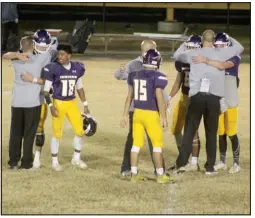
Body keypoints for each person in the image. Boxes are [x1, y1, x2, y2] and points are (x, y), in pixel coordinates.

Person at [173, 29, 244, 175]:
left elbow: (176, 55)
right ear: (213, 41)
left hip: (196, 97)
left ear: (202, 40)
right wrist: (229, 37)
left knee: (189, 132)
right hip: (213, 98)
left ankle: (181, 163)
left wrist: (185, 44)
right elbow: (240, 47)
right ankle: (210, 167)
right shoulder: (221, 53)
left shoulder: (194, 53)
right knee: (211, 134)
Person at [120, 49, 175, 184]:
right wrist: (163, 116)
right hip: (151, 114)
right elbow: (159, 96)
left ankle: (133, 174)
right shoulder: (158, 76)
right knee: (157, 145)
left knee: (136, 145)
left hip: (137, 113)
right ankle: (160, 175)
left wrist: (125, 115)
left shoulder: (134, 75)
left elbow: (129, 97)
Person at [8, 29, 58, 169]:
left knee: (15, 133)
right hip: (33, 103)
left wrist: (17, 54)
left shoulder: (15, 59)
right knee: (29, 134)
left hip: (17, 102)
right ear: (34, 46)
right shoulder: (41, 58)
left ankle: (13, 162)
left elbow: (6, 54)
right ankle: (26, 163)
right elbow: (54, 50)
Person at [193, 33, 241, 174]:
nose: (219, 49)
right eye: (217, 46)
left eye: (222, 46)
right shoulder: (214, 57)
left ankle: (237, 163)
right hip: (219, 99)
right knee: (220, 132)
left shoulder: (234, 57)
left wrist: (206, 60)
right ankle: (222, 161)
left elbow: (221, 66)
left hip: (230, 101)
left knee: (231, 132)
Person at [42, 43, 91, 171]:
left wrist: (85, 104)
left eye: (63, 54)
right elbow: (46, 91)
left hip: (72, 103)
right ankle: (54, 161)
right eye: (59, 54)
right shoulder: (53, 68)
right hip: (58, 103)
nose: (60, 57)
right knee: (57, 133)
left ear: (69, 55)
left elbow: (79, 87)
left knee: (80, 130)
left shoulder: (77, 68)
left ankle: (76, 158)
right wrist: (51, 106)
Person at [167, 35, 202, 171]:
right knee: (176, 129)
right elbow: (178, 82)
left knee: (193, 131)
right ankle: (184, 159)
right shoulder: (182, 63)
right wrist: (169, 97)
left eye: (192, 48)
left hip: (195, 99)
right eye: (188, 47)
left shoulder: (202, 62)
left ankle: (194, 162)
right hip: (183, 97)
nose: (189, 50)